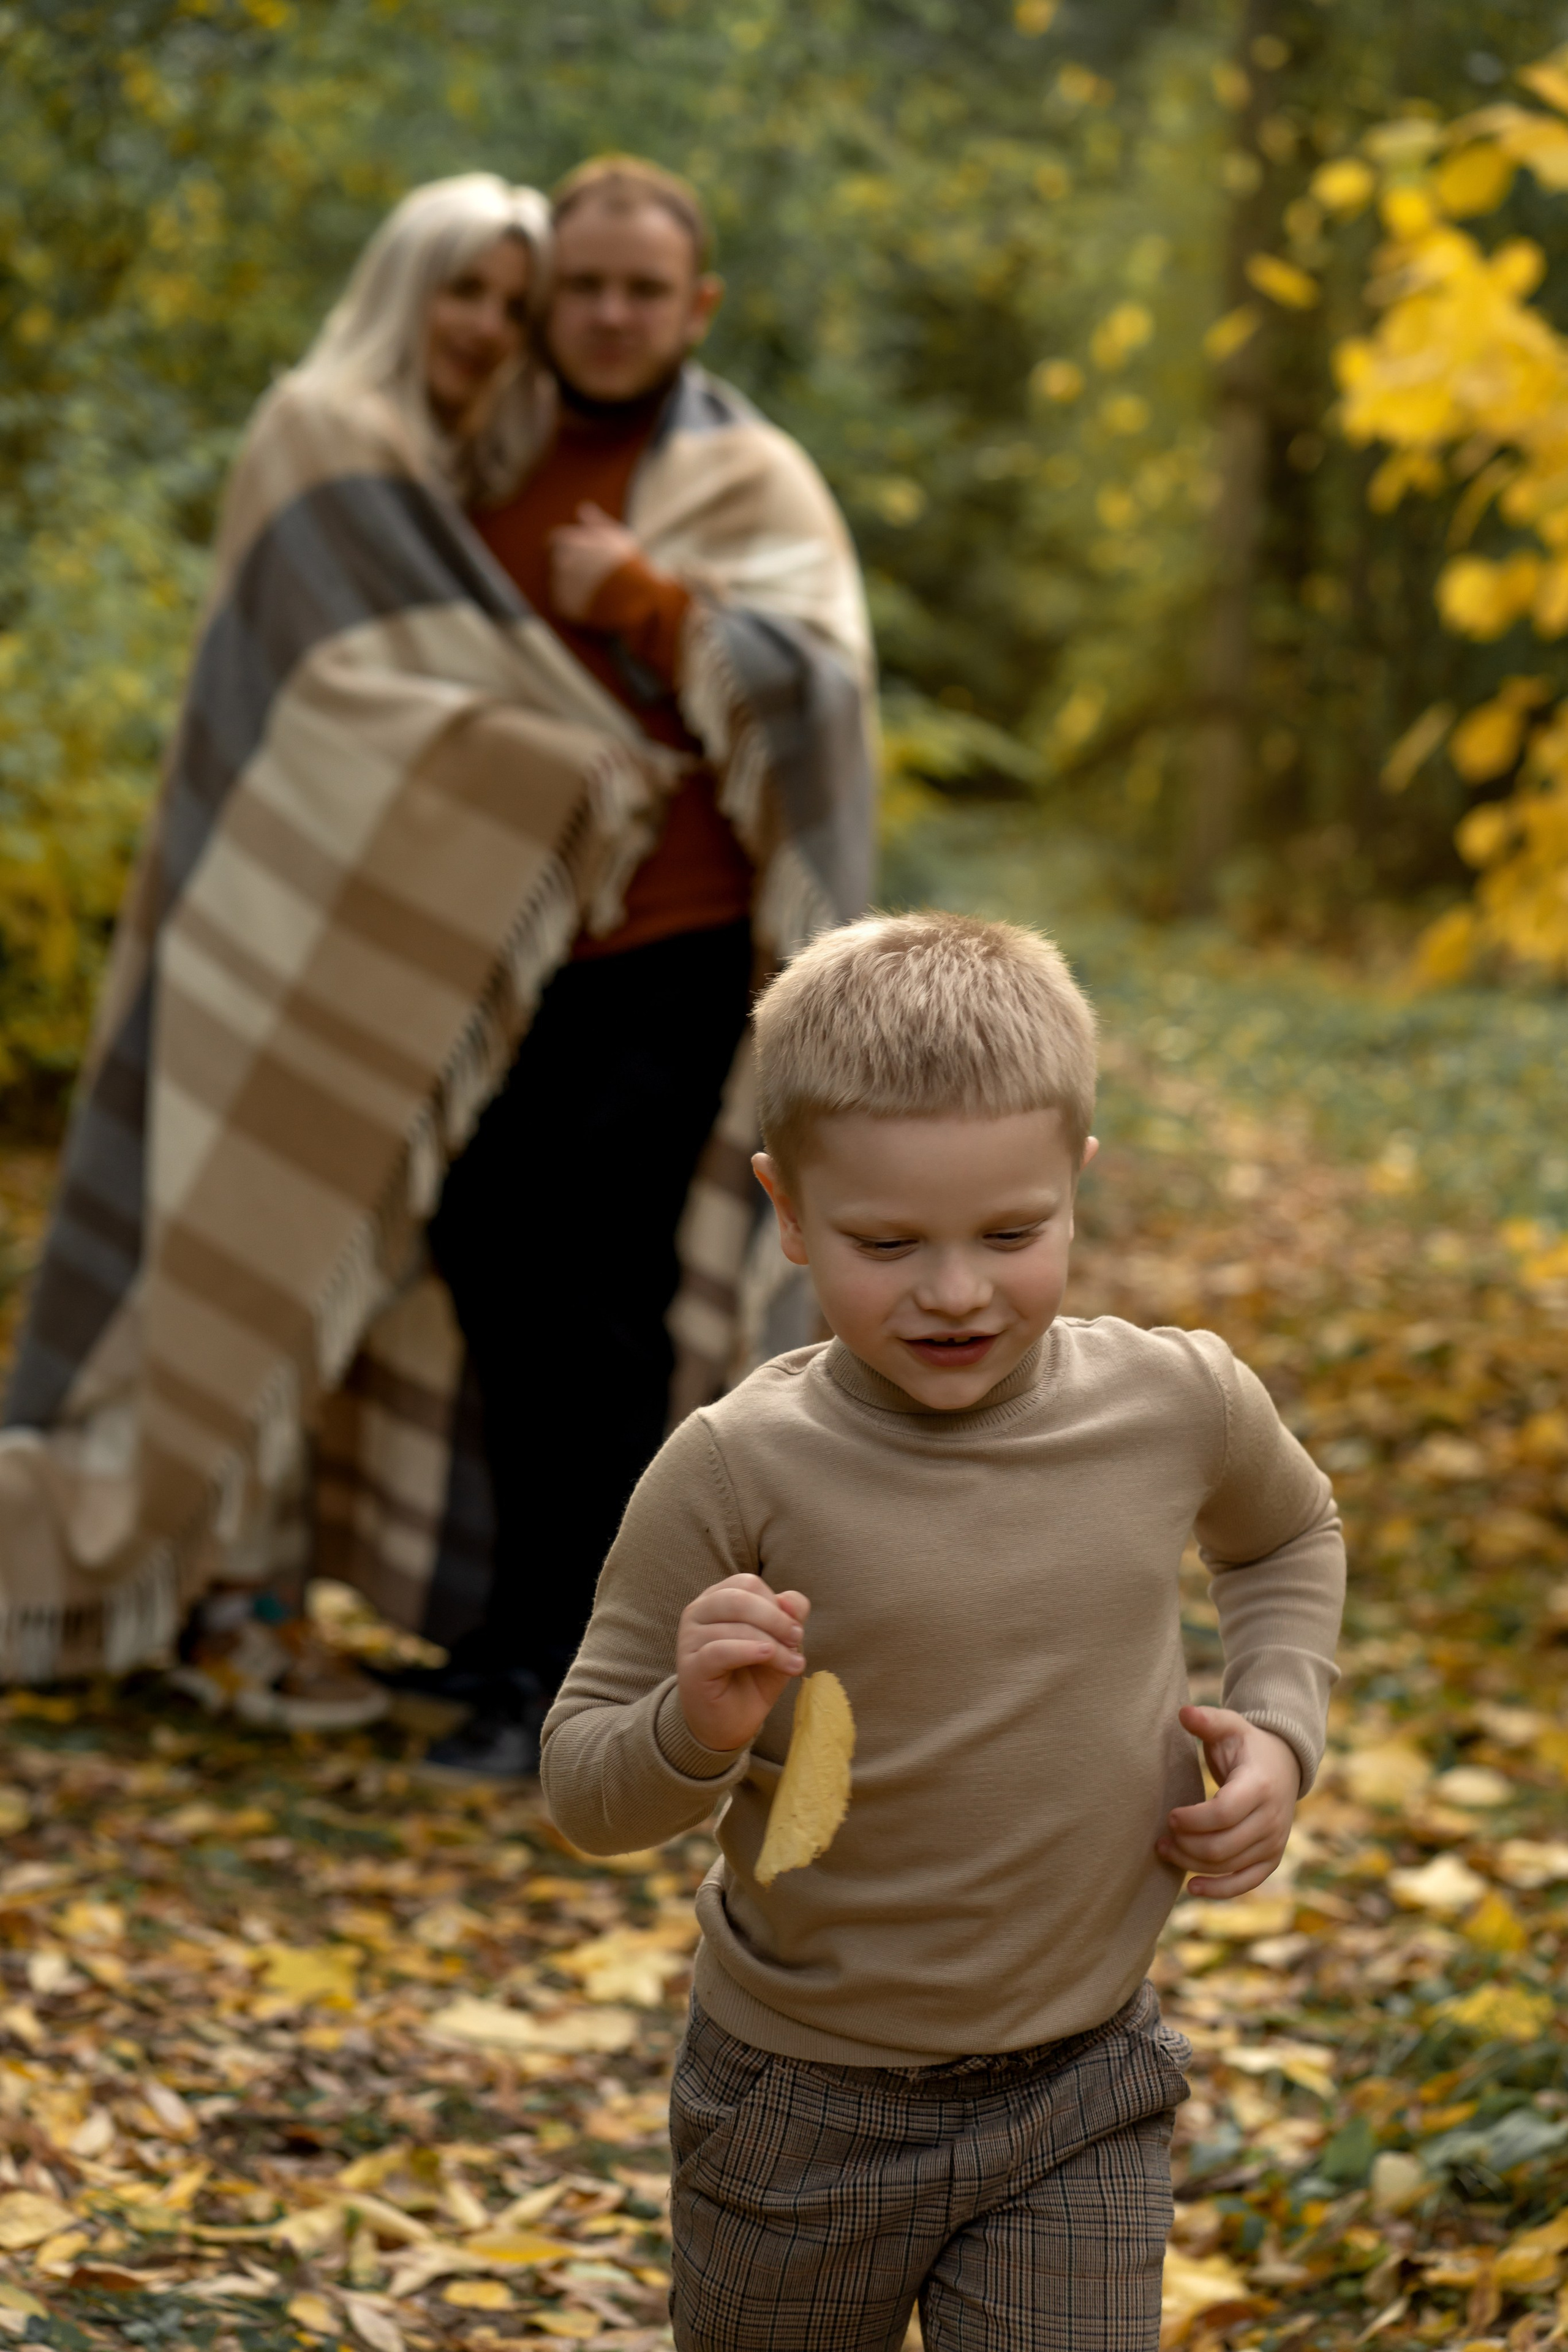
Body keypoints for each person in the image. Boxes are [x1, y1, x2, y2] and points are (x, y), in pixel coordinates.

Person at [541, 910, 1345, 2352]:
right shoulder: (733, 1469)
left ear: (1075, 1185)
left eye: (1011, 1233)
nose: (957, 1290)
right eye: (886, 1241)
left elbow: (1286, 1535)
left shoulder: (1176, 1408)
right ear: (786, 1209)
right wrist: (695, 1730)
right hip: (797, 2107)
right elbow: (583, 1786)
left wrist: (1280, 1729)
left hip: (1081, 2086)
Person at [409, 156, 876, 1777]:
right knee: (479, 1243)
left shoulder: (750, 478)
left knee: (592, 1291)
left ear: (699, 307)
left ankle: (569, 1674)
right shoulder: (481, 454)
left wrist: (660, 603)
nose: (608, 316)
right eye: (581, 289)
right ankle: (495, 1619)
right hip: (484, 949)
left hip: (674, 947)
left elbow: (818, 690)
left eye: (640, 290)